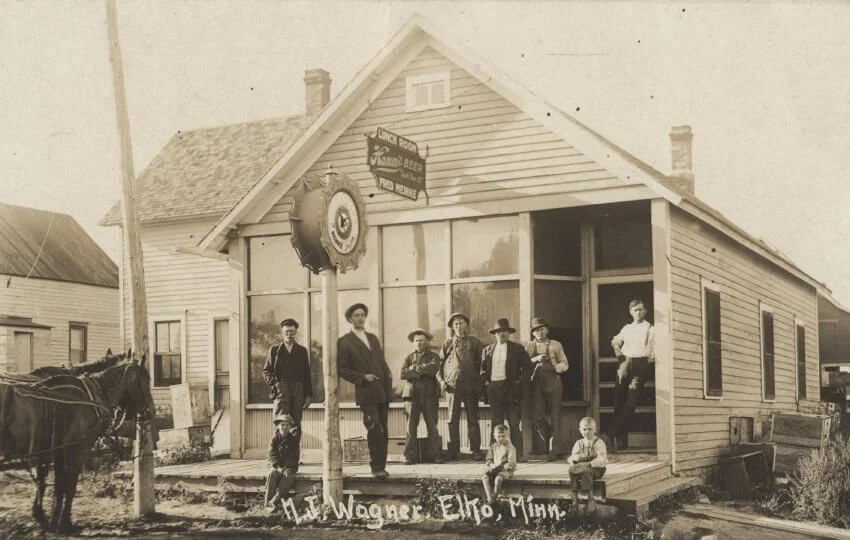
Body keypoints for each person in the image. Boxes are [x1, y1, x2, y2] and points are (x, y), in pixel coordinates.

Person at [338, 303, 393, 478]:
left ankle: (382, 466)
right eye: (356, 315)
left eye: (362, 315)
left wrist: (388, 378)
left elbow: (382, 362)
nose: (360, 318)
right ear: (350, 319)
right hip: (366, 392)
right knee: (374, 428)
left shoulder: (372, 338)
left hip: (382, 391)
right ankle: (376, 468)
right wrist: (363, 377)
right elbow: (343, 369)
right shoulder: (345, 341)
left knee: (384, 429)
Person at [608, 299, 655, 451]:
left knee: (631, 402)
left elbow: (654, 349)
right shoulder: (627, 328)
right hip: (624, 363)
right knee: (619, 402)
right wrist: (618, 353)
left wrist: (650, 359)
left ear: (645, 311)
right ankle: (621, 443)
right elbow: (615, 340)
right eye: (635, 310)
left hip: (640, 364)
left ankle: (611, 432)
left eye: (641, 309)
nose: (638, 312)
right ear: (631, 312)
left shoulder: (650, 328)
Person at [438, 312, 486, 461]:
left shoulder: (474, 342)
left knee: (473, 418)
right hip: (452, 386)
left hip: (471, 386)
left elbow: (483, 364)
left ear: (466, 325)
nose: (459, 326)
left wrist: (479, 383)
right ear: (452, 327)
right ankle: (454, 450)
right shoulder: (447, 343)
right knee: (453, 418)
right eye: (456, 324)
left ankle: (476, 450)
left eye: (462, 323)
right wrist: (441, 381)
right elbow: (438, 365)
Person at [481, 318, 530, 460]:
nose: (502, 334)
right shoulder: (488, 350)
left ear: (508, 333)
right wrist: (487, 384)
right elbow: (482, 370)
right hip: (494, 389)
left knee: (514, 423)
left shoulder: (517, 349)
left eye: (505, 331)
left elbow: (528, 367)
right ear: (494, 334)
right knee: (497, 423)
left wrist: (519, 381)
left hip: (511, 389)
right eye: (499, 332)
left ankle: (518, 455)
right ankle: (493, 456)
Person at [525, 317, 569, 460]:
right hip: (536, 383)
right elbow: (524, 365)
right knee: (537, 417)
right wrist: (535, 359)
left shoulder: (556, 345)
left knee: (555, 415)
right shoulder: (529, 346)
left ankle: (553, 450)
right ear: (533, 333)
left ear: (547, 330)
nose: (540, 332)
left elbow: (564, 363)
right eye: (537, 330)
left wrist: (557, 368)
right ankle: (551, 441)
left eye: (542, 329)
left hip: (553, 381)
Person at [400, 328, 443, 465]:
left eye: (422, 340)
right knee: (411, 427)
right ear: (413, 343)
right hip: (411, 396)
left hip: (429, 395)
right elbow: (402, 374)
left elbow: (433, 369)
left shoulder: (434, 356)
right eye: (417, 340)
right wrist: (417, 370)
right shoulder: (408, 357)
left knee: (432, 426)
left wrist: (415, 368)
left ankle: (436, 455)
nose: (419, 343)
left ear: (427, 342)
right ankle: (409, 456)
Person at [262, 318, 312, 431]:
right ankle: (278, 448)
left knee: (296, 422)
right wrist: (275, 384)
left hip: (298, 389)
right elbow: (266, 371)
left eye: (292, 331)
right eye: (287, 332)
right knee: (280, 421)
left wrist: (308, 395)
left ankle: (294, 449)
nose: (289, 334)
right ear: (282, 333)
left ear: (296, 332)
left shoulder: (302, 351)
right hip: (281, 389)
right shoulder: (274, 350)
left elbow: (307, 374)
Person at [567, 417, 608, 512]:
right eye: (584, 429)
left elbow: (603, 460)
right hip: (582, 467)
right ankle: (574, 495)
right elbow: (572, 456)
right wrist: (574, 459)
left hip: (596, 469)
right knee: (571, 469)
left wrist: (590, 463)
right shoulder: (579, 443)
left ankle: (590, 497)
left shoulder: (599, 442)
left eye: (590, 429)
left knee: (586, 470)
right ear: (580, 430)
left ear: (595, 430)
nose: (587, 432)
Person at [264, 413, 301, 512]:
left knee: (288, 476)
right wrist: (277, 466)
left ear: (290, 427)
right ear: (278, 426)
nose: (284, 427)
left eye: (287, 425)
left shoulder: (294, 440)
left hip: (289, 467)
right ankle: (267, 504)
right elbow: (271, 454)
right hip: (277, 465)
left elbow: (294, 457)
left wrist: (285, 467)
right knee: (272, 473)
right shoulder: (274, 439)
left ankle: (274, 501)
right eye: (282, 425)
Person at [481, 424, 517, 505]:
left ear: (508, 435)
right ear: (494, 436)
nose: (501, 438)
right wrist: (492, 466)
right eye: (498, 436)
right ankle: (489, 498)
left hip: (505, 470)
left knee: (498, 479)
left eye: (503, 436)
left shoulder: (510, 448)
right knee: (484, 477)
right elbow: (488, 459)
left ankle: (494, 495)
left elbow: (511, 463)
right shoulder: (493, 446)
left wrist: (503, 467)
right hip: (495, 469)